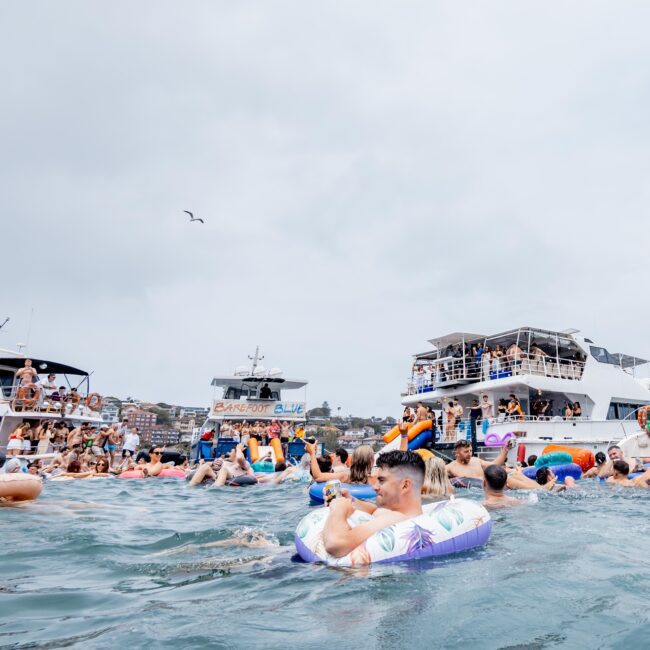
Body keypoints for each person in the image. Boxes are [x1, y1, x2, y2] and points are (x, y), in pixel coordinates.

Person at [322, 450, 425, 558]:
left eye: (381, 480)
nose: (374, 487)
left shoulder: (396, 519)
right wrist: (350, 500)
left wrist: (338, 509)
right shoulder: (408, 514)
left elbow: (336, 544)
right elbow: (376, 510)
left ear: (405, 485)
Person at [446, 438, 512, 488]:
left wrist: (505, 450)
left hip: (485, 492)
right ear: (457, 453)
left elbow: (495, 465)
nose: (470, 454)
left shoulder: (476, 461)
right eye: (466, 452)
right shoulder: (450, 467)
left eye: (471, 451)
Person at [306, 442, 374, 485]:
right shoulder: (377, 479)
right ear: (370, 461)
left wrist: (312, 453)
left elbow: (318, 477)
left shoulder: (346, 476)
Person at [189, 444, 256, 487]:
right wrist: (211, 464)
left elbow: (240, 458)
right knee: (205, 467)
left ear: (236, 453)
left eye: (231, 452)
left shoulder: (244, 464)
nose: (228, 453)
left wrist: (238, 449)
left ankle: (216, 489)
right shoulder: (226, 462)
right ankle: (190, 487)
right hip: (217, 476)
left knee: (224, 470)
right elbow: (211, 466)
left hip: (231, 478)